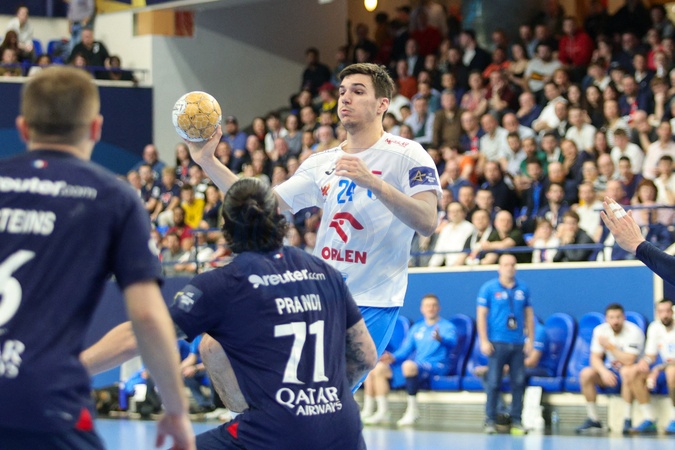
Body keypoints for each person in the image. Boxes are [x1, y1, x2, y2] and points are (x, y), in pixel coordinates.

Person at [82, 177, 377, 449]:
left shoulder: (223, 284)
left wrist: (72, 369)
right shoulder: (325, 271)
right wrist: (320, 404)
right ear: (279, 217)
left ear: (226, 228)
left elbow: (142, 334)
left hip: (275, 433)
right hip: (344, 431)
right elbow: (365, 356)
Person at [185, 63, 440, 365]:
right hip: (318, 297)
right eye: (342, 92)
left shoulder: (408, 154)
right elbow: (261, 203)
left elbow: (427, 222)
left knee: (326, 387)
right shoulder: (322, 162)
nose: (346, 98)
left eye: (358, 92)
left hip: (371, 302)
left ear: (382, 104)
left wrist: (374, 182)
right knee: (216, 347)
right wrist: (208, 161)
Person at [0, 66, 193, 449]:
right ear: (95, 128)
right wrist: (175, 410)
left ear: (23, 127)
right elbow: (147, 316)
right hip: (47, 402)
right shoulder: (113, 198)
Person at [362, 294, 457, 427]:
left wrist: (441, 339)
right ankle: (382, 412)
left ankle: (413, 411)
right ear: (422, 309)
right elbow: (405, 350)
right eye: (427, 306)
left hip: (438, 366)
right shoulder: (417, 328)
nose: (430, 308)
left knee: (408, 365)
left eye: (433, 305)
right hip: (418, 366)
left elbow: (453, 343)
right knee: (378, 368)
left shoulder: (447, 326)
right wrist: (392, 357)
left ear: (438, 308)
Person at [477, 254, 534, 435]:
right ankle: (490, 420)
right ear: (499, 268)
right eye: (506, 265)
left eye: (512, 264)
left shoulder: (523, 288)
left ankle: (517, 420)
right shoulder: (489, 288)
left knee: (518, 383)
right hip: (497, 343)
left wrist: (530, 340)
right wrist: (484, 340)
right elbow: (481, 315)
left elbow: (529, 315)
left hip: (517, 343)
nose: (510, 268)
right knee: (493, 382)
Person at [575, 303, 645, 434]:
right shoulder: (600, 331)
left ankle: (627, 419)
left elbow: (629, 360)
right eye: (611, 318)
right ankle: (594, 419)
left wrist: (610, 346)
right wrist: (604, 372)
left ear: (623, 317)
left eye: (618, 317)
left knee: (626, 371)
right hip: (611, 371)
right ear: (606, 319)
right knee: (586, 374)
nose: (615, 321)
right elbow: (595, 358)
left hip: (632, 373)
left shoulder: (634, 331)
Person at [621, 298, 675, 435]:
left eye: (668, 311)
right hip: (664, 367)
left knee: (672, 372)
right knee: (635, 371)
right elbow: (651, 355)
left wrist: (657, 369)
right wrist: (644, 362)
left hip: (669, 368)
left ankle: (674, 418)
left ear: (672, 312)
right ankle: (649, 419)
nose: (665, 315)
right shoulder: (655, 327)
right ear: (657, 313)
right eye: (661, 311)